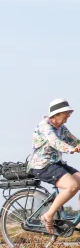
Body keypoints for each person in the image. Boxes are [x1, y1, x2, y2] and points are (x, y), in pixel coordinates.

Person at [28, 98, 80, 233]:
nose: (69, 115)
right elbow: (55, 142)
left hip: (56, 163)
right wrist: (70, 149)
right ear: (57, 114)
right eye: (67, 113)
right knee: (72, 185)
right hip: (42, 165)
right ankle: (48, 215)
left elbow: (73, 140)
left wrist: (77, 145)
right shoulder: (45, 126)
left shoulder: (61, 128)